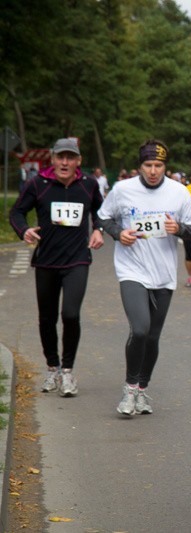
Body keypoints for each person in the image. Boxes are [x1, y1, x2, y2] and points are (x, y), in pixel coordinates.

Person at [97, 139, 191, 416]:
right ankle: (130, 388)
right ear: (139, 166)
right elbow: (103, 218)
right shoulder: (122, 190)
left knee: (153, 337)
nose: (153, 171)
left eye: (158, 165)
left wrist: (178, 228)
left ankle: (143, 390)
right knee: (140, 328)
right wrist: (118, 233)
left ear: (165, 167)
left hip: (164, 274)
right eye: (148, 165)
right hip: (131, 269)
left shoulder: (178, 192)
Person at [9, 138, 105, 397]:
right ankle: (53, 366)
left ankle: (68, 372)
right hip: (47, 261)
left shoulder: (88, 185)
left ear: (78, 161)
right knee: (47, 318)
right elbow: (16, 213)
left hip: (77, 260)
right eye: (60, 157)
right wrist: (24, 229)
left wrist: (98, 229)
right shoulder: (37, 184)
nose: (65, 162)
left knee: (71, 314)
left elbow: (101, 211)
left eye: (70, 157)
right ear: (52, 159)